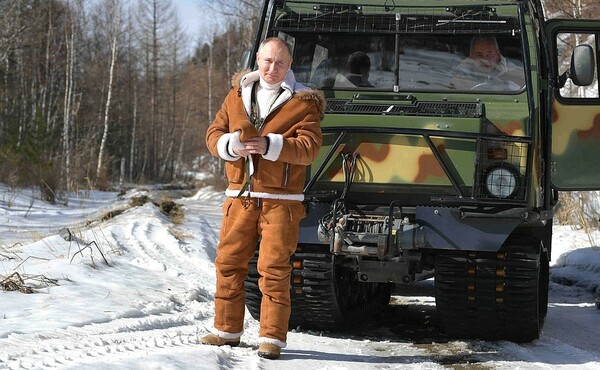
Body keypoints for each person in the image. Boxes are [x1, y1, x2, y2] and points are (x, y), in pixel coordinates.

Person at [203, 37, 325, 360]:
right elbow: (212, 134)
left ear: (289, 65)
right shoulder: (236, 95)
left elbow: (310, 146)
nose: (272, 68)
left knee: (273, 269)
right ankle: (226, 330)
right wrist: (230, 145)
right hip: (239, 197)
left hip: (280, 202)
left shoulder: (304, 102)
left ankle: (271, 337)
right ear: (258, 58)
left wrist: (272, 146)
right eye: (268, 61)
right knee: (228, 263)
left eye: (280, 63)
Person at [450, 36, 524, 91]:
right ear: (472, 56)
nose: (484, 60)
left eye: (489, 55)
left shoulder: (513, 71)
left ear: (498, 54)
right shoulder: (459, 72)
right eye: (479, 55)